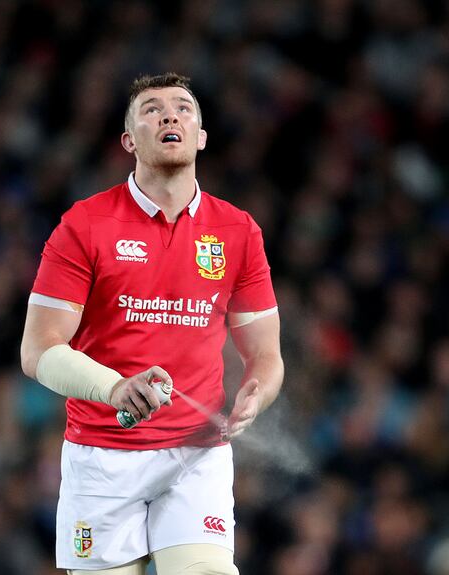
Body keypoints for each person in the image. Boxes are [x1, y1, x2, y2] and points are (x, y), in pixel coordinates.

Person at [20, 72, 283, 575]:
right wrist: (115, 389)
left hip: (196, 455)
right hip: (103, 455)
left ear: (200, 137)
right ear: (129, 140)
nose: (169, 116)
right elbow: (38, 350)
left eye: (183, 108)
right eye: (152, 109)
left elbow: (266, 355)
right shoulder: (85, 224)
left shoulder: (238, 230)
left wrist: (259, 393)